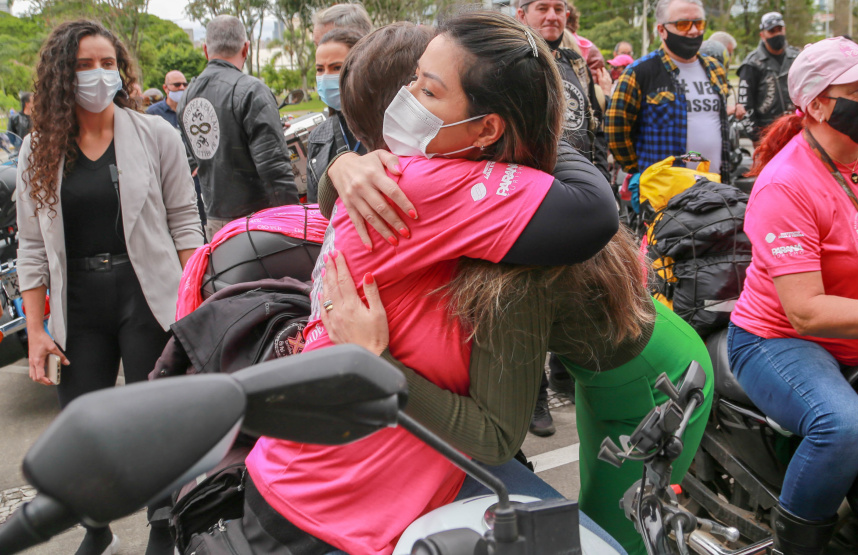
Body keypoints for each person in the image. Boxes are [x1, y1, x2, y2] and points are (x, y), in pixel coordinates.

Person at [243, 12, 622, 555]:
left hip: (306, 482)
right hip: (327, 514)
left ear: (486, 126)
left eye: (429, 90)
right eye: (414, 81)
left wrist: (343, 166)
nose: (410, 99)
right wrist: (531, 122)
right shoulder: (423, 180)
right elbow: (592, 210)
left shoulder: (389, 172)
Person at [16, 19, 203, 555]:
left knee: (154, 419)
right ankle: (96, 527)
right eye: (82, 65)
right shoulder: (39, 149)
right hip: (77, 300)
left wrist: (194, 299)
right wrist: (35, 329)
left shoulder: (155, 135)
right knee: (85, 425)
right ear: (59, 75)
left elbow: (185, 224)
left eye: (106, 63)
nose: (98, 75)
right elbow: (31, 248)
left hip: (146, 292)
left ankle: (163, 522)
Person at [728, 37, 858, 555]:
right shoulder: (785, 184)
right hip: (778, 339)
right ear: (816, 105)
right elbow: (805, 310)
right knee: (844, 427)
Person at [516, 0, 614, 435]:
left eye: (559, 7)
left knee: (574, 288)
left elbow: (590, 124)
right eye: (542, 7)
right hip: (530, 195)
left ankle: (562, 373)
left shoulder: (576, 57)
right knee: (527, 295)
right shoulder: (512, 55)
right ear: (522, 14)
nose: (553, 15)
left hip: (578, 189)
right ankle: (533, 394)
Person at [178, 15, 298, 239]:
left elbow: (194, 157)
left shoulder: (186, 97)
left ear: (205, 50)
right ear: (246, 49)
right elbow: (274, 169)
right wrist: (295, 225)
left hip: (214, 221)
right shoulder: (251, 90)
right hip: (256, 223)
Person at [608, 0, 729, 184]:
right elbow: (616, 132)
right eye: (683, 24)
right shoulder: (639, 73)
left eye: (699, 23)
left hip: (716, 188)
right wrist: (643, 172)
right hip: (664, 194)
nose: (694, 31)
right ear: (662, 30)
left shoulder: (715, 69)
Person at [305, 28, 369, 203]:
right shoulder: (317, 137)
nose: (326, 77)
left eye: (336, 67)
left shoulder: (387, 129)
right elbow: (314, 210)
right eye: (320, 69)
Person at [147, 70, 207, 229]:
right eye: (177, 85)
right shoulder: (152, 115)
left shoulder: (194, 110)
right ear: (165, 88)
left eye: (184, 84)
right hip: (168, 177)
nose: (182, 88)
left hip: (195, 176)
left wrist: (201, 163)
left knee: (199, 222)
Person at [736, 12, 799, 144]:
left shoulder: (796, 57)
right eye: (771, 31)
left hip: (796, 131)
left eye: (779, 29)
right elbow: (744, 106)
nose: (777, 34)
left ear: (784, 29)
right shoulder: (752, 64)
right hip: (766, 135)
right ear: (762, 35)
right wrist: (757, 138)